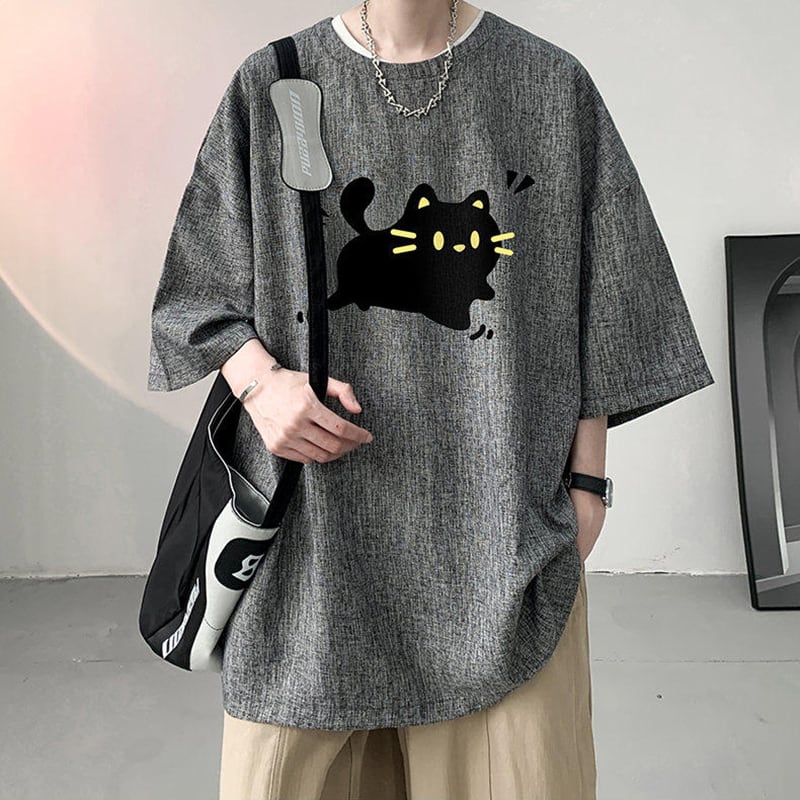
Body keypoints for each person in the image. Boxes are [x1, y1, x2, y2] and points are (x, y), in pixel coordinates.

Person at [146, 1, 715, 797]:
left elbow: (610, 297)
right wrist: (262, 386)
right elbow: (197, 291)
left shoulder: (549, 85)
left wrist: (587, 485)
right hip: (317, 543)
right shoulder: (275, 83)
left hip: (501, 543)